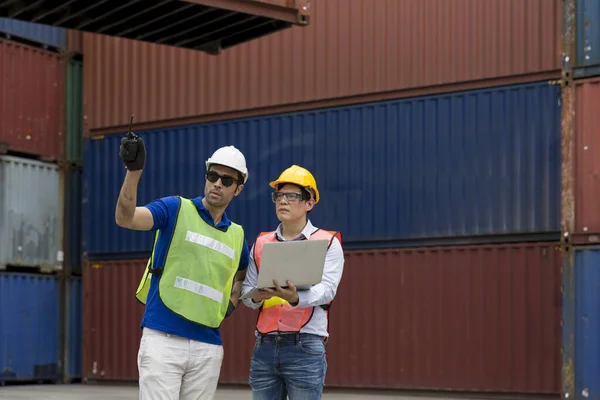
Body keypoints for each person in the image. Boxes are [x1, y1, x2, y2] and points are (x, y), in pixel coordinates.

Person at [115, 129, 250, 400]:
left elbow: (243, 277)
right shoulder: (174, 209)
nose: (217, 184)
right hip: (163, 339)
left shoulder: (237, 235)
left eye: (226, 180)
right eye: (213, 176)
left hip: (208, 346)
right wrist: (134, 171)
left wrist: (231, 303)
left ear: (238, 188)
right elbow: (125, 218)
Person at [241, 165, 345, 400]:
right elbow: (247, 292)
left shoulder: (327, 242)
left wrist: (296, 298)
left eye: (292, 196)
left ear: (310, 203)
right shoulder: (261, 243)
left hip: (305, 346)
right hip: (264, 346)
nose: (283, 201)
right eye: (279, 196)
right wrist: (258, 295)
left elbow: (327, 290)